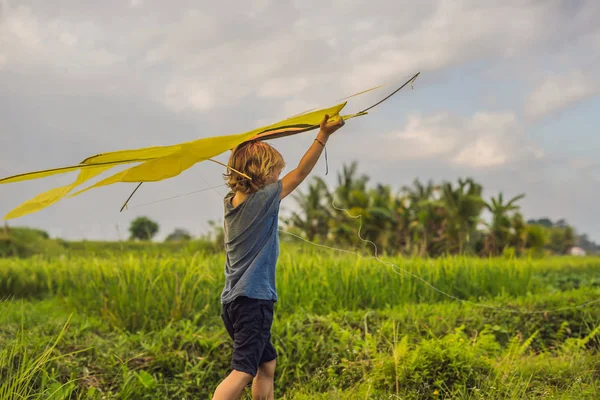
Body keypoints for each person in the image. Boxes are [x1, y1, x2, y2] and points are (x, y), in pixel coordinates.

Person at [212, 114, 345, 399]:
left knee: (266, 363)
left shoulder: (230, 203)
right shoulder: (265, 197)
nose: (278, 177)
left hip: (232, 304)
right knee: (244, 371)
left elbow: (245, 171)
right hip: (254, 300)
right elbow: (301, 172)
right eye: (275, 171)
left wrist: (239, 152)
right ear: (261, 174)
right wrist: (323, 135)